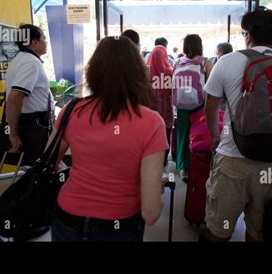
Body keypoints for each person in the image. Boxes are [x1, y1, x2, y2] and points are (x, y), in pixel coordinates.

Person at [50, 36, 167, 242]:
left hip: (66, 219)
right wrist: (157, 185)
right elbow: (151, 214)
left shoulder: (71, 110)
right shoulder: (151, 123)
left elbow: (49, 161)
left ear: (93, 70)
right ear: (138, 74)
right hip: (119, 227)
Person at [202, 7, 272, 242]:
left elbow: (210, 105)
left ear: (247, 34)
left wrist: (214, 136)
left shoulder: (228, 61)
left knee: (218, 230)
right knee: (258, 231)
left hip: (234, 158)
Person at [2, 24, 54, 165]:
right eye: (43, 37)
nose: (46, 41)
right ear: (34, 42)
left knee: (44, 164)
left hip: (30, 124)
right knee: (45, 164)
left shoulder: (19, 60)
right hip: (33, 126)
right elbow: (15, 97)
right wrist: (12, 133)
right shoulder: (31, 62)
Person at [173, 34, 212, 181]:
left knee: (183, 134)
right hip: (200, 104)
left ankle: (183, 168)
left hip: (182, 104)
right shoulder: (205, 62)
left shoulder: (178, 62)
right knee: (199, 134)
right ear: (199, 45)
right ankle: (198, 165)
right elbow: (211, 84)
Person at [147, 41, 174, 166]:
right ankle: (163, 161)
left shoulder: (147, 74)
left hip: (152, 119)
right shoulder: (170, 73)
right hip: (166, 117)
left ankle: (154, 161)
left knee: (153, 136)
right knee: (165, 134)